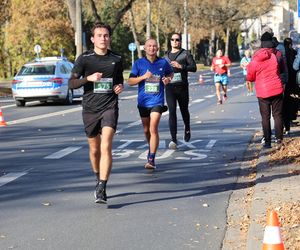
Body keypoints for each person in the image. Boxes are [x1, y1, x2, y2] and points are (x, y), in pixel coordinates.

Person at [68, 23, 124, 204]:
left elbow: (119, 80)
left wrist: (119, 86)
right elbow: (71, 84)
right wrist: (88, 79)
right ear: (93, 39)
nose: (103, 38)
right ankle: (97, 176)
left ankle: (102, 186)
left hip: (110, 106)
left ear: (109, 38)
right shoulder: (84, 59)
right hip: (90, 109)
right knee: (94, 149)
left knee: (106, 146)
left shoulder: (117, 58)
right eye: (99, 35)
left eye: (106, 35)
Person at [128, 38, 173, 169]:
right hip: (143, 101)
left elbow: (170, 72)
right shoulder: (139, 63)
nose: (152, 48)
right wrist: (143, 77)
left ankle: (151, 159)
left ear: (157, 48)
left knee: (153, 128)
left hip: (157, 101)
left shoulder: (163, 63)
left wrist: (168, 79)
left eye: (154, 46)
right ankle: (151, 147)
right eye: (149, 46)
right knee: (146, 130)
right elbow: (130, 81)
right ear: (145, 48)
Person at [247, 32, 284, 149]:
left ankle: (267, 141)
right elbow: (280, 70)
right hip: (277, 88)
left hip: (263, 92)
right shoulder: (274, 56)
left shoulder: (254, 60)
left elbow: (250, 77)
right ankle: (279, 139)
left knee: (265, 117)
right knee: (278, 115)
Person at [165, 33, 197, 149]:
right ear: (170, 41)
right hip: (169, 88)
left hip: (182, 87)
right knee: (172, 112)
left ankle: (187, 127)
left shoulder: (185, 54)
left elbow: (194, 68)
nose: (175, 41)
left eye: (177, 40)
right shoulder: (165, 55)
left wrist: (181, 66)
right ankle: (173, 139)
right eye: (172, 39)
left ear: (180, 41)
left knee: (184, 110)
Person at [282, 38, 298, 135]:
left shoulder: (282, 53)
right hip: (293, 79)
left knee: (285, 102)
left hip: (285, 81)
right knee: (293, 99)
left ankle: (287, 122)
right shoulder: (293, 52)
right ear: (290, 44)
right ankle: (292, 116)